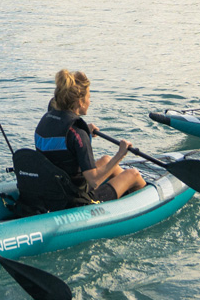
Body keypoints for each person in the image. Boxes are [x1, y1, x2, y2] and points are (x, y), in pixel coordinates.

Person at [34, 69, 146, 202]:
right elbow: (94, 181)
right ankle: (144, 203)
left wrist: (86, 133)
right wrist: (120, 154)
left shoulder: (46, 120)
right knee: (133, 174)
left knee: (105, 160)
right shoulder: (78, 134)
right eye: (89, 97)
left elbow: (63, 150)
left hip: (58, 187)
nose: (89, 102)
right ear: (80, 102)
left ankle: (124, 191)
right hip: (77, 199)